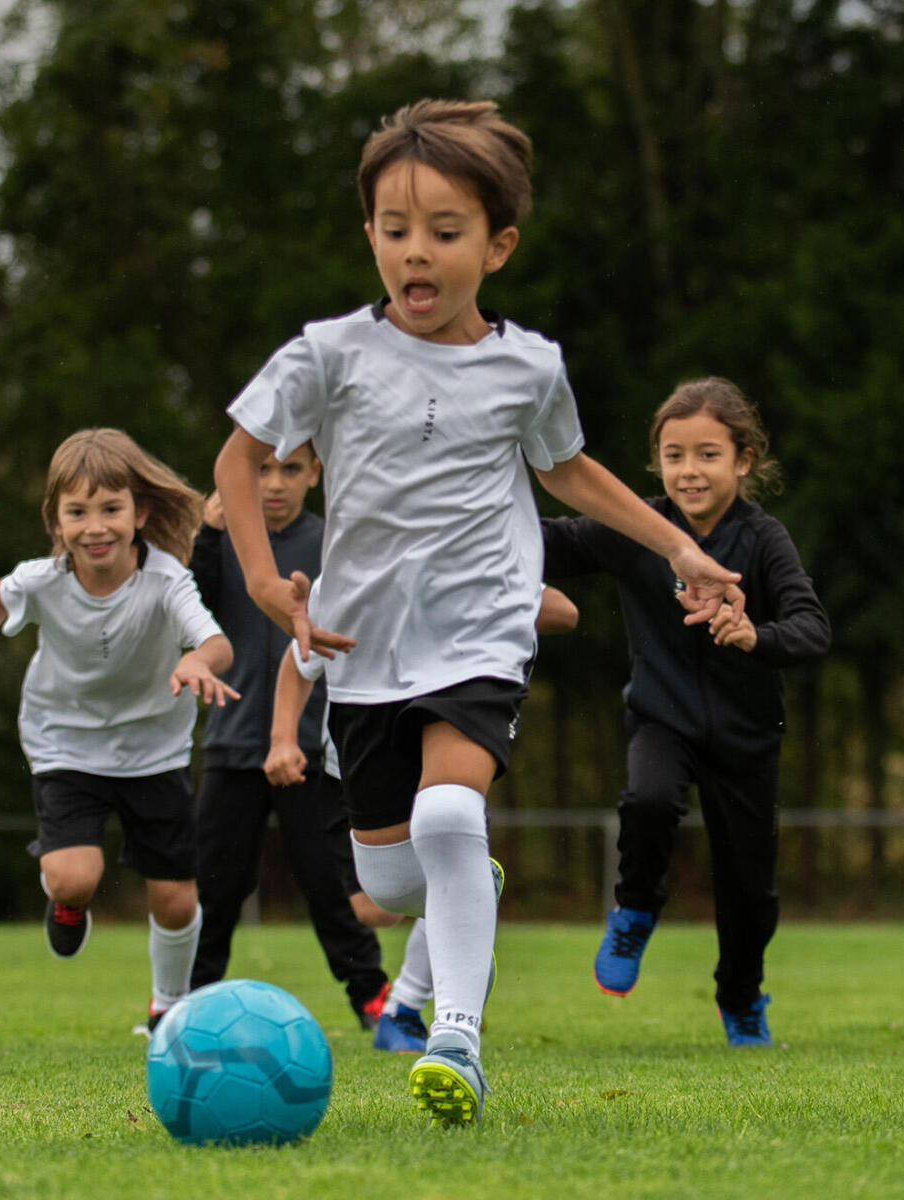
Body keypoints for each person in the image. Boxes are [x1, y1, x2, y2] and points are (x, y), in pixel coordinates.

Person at [211, 97, 741, 1126]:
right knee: (387, 883)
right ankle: (462, 887)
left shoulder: (527, 366)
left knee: (453, 811)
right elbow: (236, 459)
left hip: (479, 631)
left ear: (496, 246)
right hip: (361, 649)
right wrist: (271, 585)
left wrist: (677, 544)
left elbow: (571, 472)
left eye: (445, 234)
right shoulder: (326, 353)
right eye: (396, 230)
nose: (418, 254)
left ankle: (455, 1035)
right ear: (367, 233)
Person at [0, 429, 238, 1036]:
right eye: (77, 512)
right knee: (75, 878)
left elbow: (216, 642)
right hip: (65, 742)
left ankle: (166, 1008)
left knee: (177, 901)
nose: (95, 526)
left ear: (139, 513)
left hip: (152, 752)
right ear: (56, 521)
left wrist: (195, 661)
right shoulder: (42, 580)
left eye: (110, 509)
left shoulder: (166, 580)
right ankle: (64, 903)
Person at [541, 377, 831, 1047]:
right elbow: (550, 540)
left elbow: (813, 629)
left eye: (707, 454)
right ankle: (635, 910)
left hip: (747, 736)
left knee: (749, 894)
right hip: (661, 717)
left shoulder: (763, 541)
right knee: (647, 802)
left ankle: (741, 999)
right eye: (674, 455)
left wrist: (756, 635)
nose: (689, 471)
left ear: (744, 461)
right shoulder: (635, 528)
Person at [263, 586, 582, 1055]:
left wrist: (473, 600)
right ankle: (469, 906)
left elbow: (564, 611)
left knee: (449, 856)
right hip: (347, 769)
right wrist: (282, 738)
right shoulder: (356, 584)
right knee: (378, 909)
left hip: (442, 763)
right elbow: (299, 660)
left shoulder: (468, 565)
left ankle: (411, 1013)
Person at [185, 447, 392, 1036]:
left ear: (316, 475)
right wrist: (207, 534)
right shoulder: (223, 542)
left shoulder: (335, 544)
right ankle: (187, 1008)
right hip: (230, 741)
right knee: (218, 888)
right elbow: (189, 612)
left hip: (312, 748)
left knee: (330, 886)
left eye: (291, 470)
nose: (273, 484)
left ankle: (373, 1000)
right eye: (261, 470)